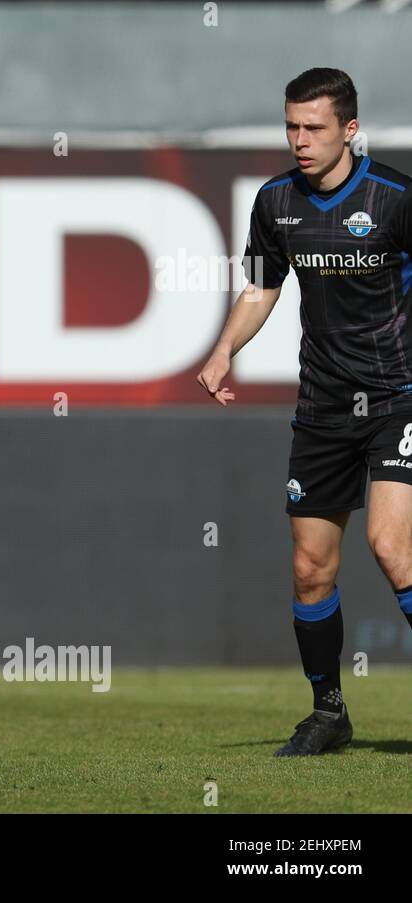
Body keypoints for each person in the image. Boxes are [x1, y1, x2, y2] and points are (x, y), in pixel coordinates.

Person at [197, 68, 412, 756]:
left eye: (314, 127)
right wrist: (224, 346)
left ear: (350, 130)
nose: (300, 140)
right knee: (311, 569)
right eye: (291, 126)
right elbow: (261, 288)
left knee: (390, 544)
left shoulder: (395, 199)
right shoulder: (276, 201)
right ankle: (328, 712)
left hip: (397, 397)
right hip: (322, 404)